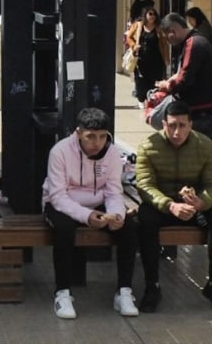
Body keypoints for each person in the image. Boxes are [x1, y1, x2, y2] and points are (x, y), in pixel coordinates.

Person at [135, 100, 212, 313]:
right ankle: (153, 285)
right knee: (145, 218)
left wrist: (203, 201)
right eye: (171, 125)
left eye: (182, 125)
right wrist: (169, 205)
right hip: (163, 205)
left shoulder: (204, 144)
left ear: (191, 125)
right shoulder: (149, 146)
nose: (176, 131)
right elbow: (144, 185)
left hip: (193, 205)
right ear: (164, 125)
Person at [43, 108, 140, 319]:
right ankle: (62, 292)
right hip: (61, 204)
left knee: (128, 227)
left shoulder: (112, 153)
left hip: (99, 203)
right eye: (90, 137)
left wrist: (116, 215)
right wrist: (87, 216)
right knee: (64, 229)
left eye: (102, 136)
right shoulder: (59, 152)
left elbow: (114, 191)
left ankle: (124, 291)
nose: (97, 143)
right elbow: (58, 196)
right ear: (79, 133)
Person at [155, 13, 212, 139]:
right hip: (204, 110)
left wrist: (167, 86)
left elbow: (184, 78)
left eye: (167, 37)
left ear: (172, 31)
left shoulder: (193, 43)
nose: (168, 41)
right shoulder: (196, 41)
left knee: (194, 152)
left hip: (200, 111)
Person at [126, 7, 168, 110]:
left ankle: (152, 100)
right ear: (145, 15)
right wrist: (133, 46)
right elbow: (129, 37)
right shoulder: (138, 25)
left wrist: (166, 58)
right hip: (141, 60)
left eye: (154, 14)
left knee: (154, 81)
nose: (152, 16)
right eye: (150, 14)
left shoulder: (158, 28)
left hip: (155, 60)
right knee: (140, 81)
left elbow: (163, 44)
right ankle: (141, 99)